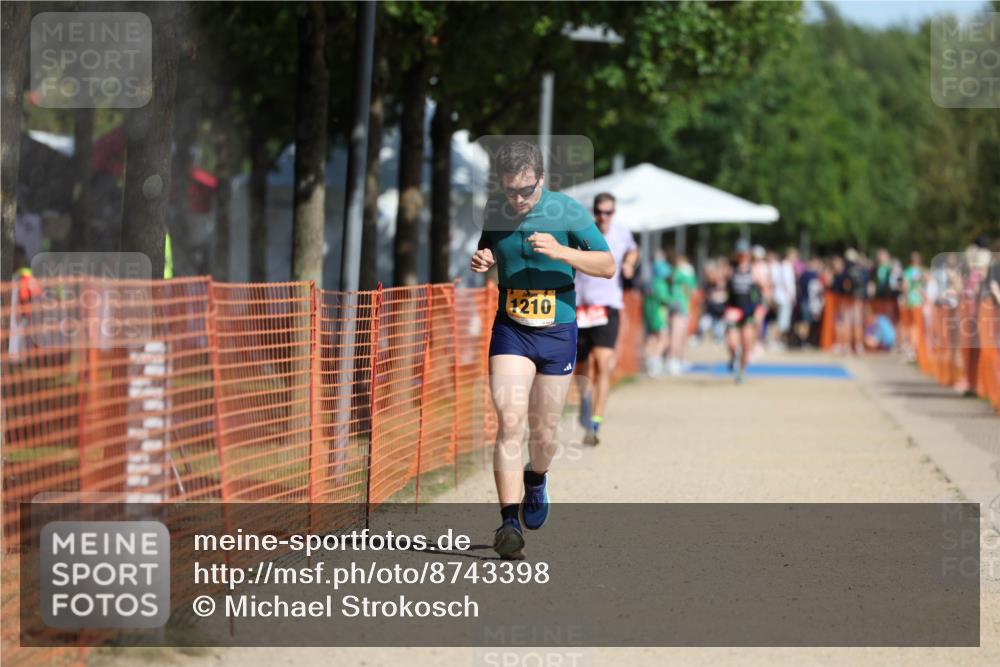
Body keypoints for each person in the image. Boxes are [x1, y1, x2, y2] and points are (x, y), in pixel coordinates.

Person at [470, 141, 614, 560]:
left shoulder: (567, 211)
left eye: (526, 191)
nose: (517, 200)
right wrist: (482, 260)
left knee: (544, 432)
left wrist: (561, 251)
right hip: (512, 327)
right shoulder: (495, 210)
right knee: (510, 419)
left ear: (541, 179)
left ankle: (538, 478)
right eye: (509, 191)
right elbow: (489, 250)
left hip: (557, 330)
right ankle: (509, 522)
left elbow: (607, 265)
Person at [573, 192, 639, 445]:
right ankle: (585, 403)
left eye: (608, 212)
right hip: (580, 307)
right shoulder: (582, 232)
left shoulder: (622, 232)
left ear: (614, 212)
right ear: (594, 211)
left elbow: (634, 250)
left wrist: (629, 264)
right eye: (599, 211)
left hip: (608, 307)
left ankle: (595, 422)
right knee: (581, 369)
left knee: (603, 362)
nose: (603, 217)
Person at [724, 248, 763, 384]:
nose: (742, 258)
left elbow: (762, 289)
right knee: (732, 343)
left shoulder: (754, 271)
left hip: (748, 311)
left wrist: (759, 308)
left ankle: (741, 371)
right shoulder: (731, 270)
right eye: (739, 255)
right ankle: (733, 358)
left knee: (746, 343)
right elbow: (723, 287)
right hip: (733, 311)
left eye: (744, 255)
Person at [666, 251, 697, 375]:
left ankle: (678, 359)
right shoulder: (678, 273)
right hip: (678, 306)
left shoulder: (683, 273)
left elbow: (691, 290)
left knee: (682, 335)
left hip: (684, 307)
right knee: (676, 335)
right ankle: (672, 360)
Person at [643, 254, 672, 377]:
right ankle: (655, 361)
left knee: (652, 338)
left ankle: (648, 363)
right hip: (659, 316)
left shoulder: (650, 283)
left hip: (649, 315)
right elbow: (665, 299)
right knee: (664, 339)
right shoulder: (661, 284)